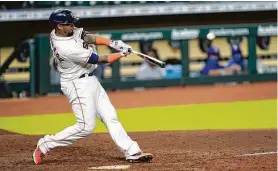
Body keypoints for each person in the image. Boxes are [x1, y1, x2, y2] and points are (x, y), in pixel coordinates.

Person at [32, 9, 153, 164]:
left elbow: (87, 36)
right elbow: (98, 59)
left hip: (90, 80)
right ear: (59, 26)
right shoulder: (65, 47)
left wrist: (113, 43)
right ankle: (46, 144)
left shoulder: (64, 31)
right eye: (69, 24)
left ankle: (131, 150)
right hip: (76, 84)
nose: (73, 25)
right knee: (85, 126)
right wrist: (121, 54)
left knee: (110, 116)